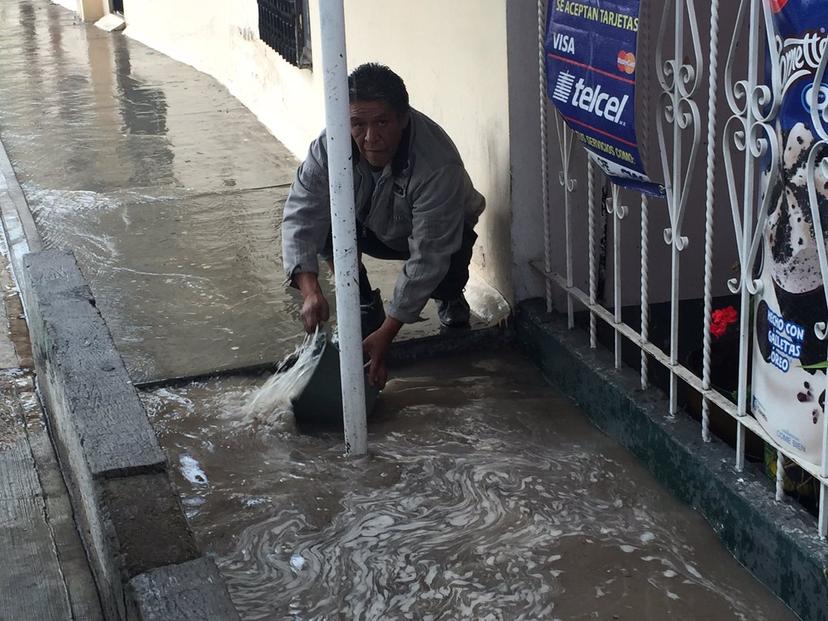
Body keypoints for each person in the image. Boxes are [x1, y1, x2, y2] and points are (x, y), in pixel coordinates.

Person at [281, 63, 485, 389]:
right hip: (371, 226)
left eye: (382, 123)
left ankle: (450, 296)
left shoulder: (437, 164)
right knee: (326, 221)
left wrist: (387, 333)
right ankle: (361, 297)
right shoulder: (329, 145)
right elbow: (302, 213)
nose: (371, 138)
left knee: (442, 273)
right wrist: (310, 291)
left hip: (441, 232)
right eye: (357, 125)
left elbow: (429, 254)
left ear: (403, 119)